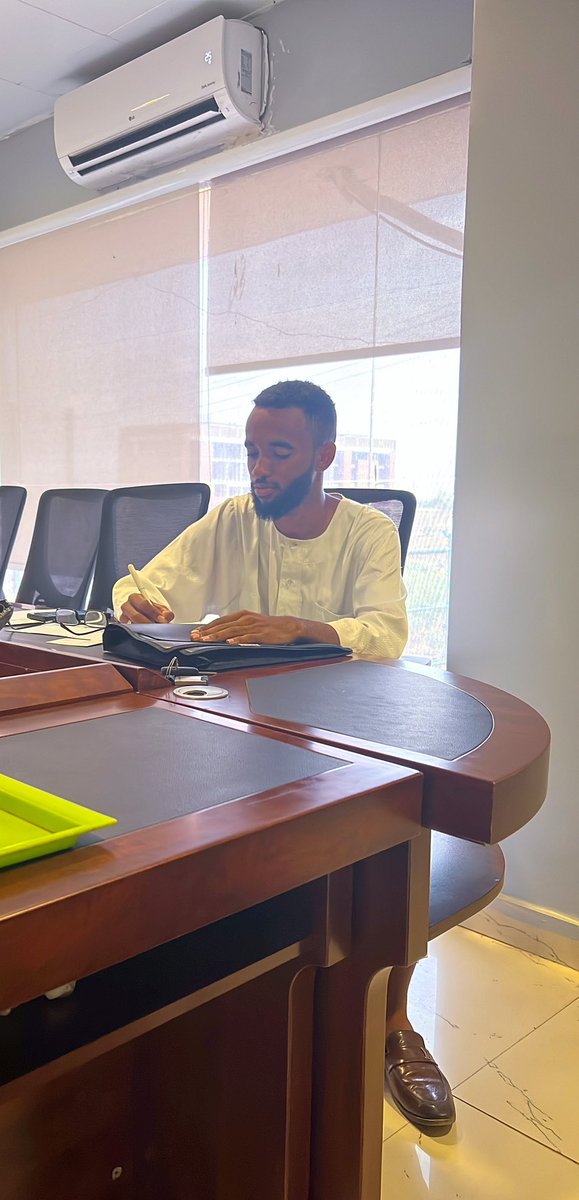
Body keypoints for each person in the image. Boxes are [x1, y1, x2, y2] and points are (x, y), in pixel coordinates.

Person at [113, 379, 455, 1134]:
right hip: (248, 727)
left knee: (398, 821)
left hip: (351, 729)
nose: (259, 469)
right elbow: (147, 586)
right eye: (251, 452)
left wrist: (300, 626)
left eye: (278, 452)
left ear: (324, 456)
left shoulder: (366, 530)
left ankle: (395, 1020)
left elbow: (387, 633)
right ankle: (244, 997)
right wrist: (137, 602)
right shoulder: (233, 519)